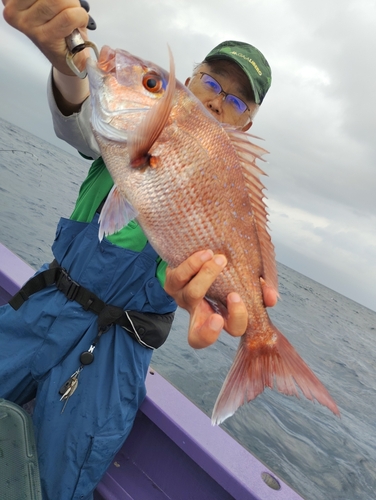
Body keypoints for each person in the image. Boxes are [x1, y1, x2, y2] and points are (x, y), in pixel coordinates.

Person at [1, 1, 276, 498]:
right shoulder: (124, 135)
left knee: (55, 483)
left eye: (237, 102)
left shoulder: (230, 195)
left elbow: (209, 266)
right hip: (41, 304)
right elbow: (78, 116)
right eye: (212, 82)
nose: (217, 102)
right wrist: (65, 63)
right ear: (190, 79)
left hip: (114, 352)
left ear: (247, 124)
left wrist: (208, 294)